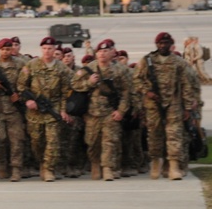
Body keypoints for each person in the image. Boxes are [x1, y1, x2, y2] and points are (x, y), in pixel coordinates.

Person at [133, 32, 198, 180]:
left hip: (173, 104)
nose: (163, 46)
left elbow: (186, 84)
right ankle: (156, 162)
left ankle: (173, 166)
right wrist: (147, 92)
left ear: (171, 45)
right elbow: (136, 80)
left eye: (166, 43)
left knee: (174, 135)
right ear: (156, 45)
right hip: (153, 105)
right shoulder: (147, 60)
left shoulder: (178, 62)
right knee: (155, 135)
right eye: (160, 43)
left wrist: (187, 107)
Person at [72, 39, 131, 181]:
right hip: (92, 113)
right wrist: (89, 82)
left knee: (109, 141)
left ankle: (107, 168)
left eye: (105, 51)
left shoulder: (120, 70)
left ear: (112, 53)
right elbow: (74, 84)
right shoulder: (88, 69)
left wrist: (121, 111)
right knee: (92, 142)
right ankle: (95, 163)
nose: (102, 54)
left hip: (110, 113)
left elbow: (126, 92)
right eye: (99, 51)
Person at [17, 36, 73, 182]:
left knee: (53, 140)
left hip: (52, 109)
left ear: (55, 50)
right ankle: (42, 162)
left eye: (50, 49)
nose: (47, 51)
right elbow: (21, 86)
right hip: (34, 112)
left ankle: (49, 168)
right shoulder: (32, 65)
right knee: (37, 142)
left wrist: (62, 110)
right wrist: (28, 100)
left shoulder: (61, 68)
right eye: (44, 48)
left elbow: (65, 92)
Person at [0, 38, 27, 181]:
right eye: (3, 49)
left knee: (16, 140)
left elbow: (28, 83)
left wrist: (19, 96)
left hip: (14, 109)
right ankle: (2, 163)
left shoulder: (20, 64)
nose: (6, 52)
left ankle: (16, 168)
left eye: (8, 49)